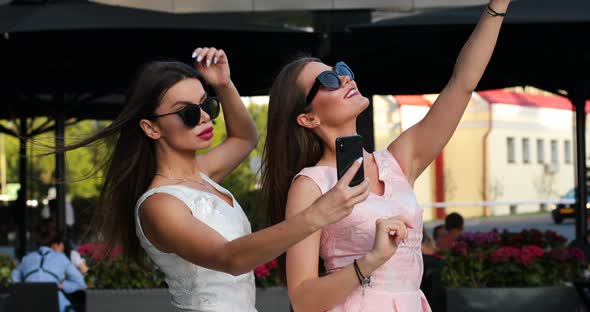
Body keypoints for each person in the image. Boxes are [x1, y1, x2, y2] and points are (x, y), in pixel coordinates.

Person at [59, 47, 370, 311]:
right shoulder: (159, 204)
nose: (206, 117)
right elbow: (230, 257)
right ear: (151, 128)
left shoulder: (201, 176)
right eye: (188, 113)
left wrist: (223, 84)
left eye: (207, 105)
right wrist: (316, 215)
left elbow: (246, 137)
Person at [261, 1, 511, 310]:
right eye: (327, 81)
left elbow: (462, 84)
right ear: (308, 118)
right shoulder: (310, 185)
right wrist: (371, 261)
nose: (344, 79)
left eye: (341, 70)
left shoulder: (396, 162)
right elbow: (303, 300)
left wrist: (497, 6)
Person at [11, 221, 86, 312]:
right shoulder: (61, 258)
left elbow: (13, 280)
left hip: (28, 303)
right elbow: (80, 283)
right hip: (54, 301)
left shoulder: (26, 259)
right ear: (55, 244)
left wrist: (27, 286)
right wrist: (63, 285)